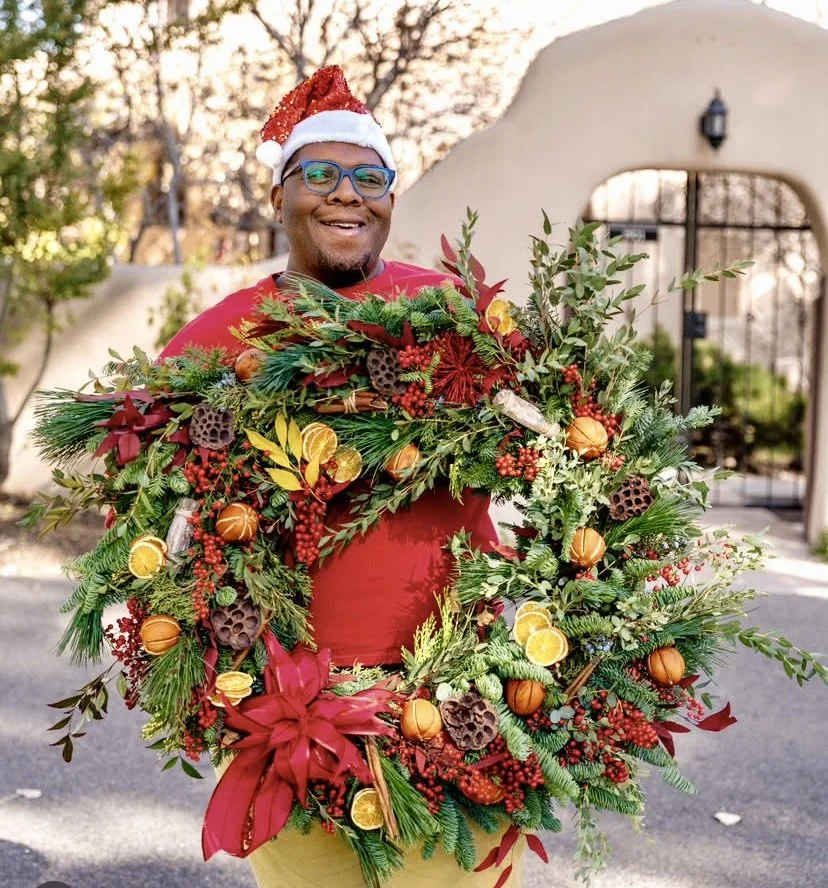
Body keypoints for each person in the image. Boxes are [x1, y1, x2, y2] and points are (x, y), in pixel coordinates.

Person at [159, 66, 523, 888]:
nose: (345, 195)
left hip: (461, 709)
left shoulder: (455, 317)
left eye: (368, 176)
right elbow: (143, 485)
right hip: (291, 723)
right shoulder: (223, 338)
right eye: (317, 174)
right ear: (279, 197)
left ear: (392, 198)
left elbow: (569, 431)